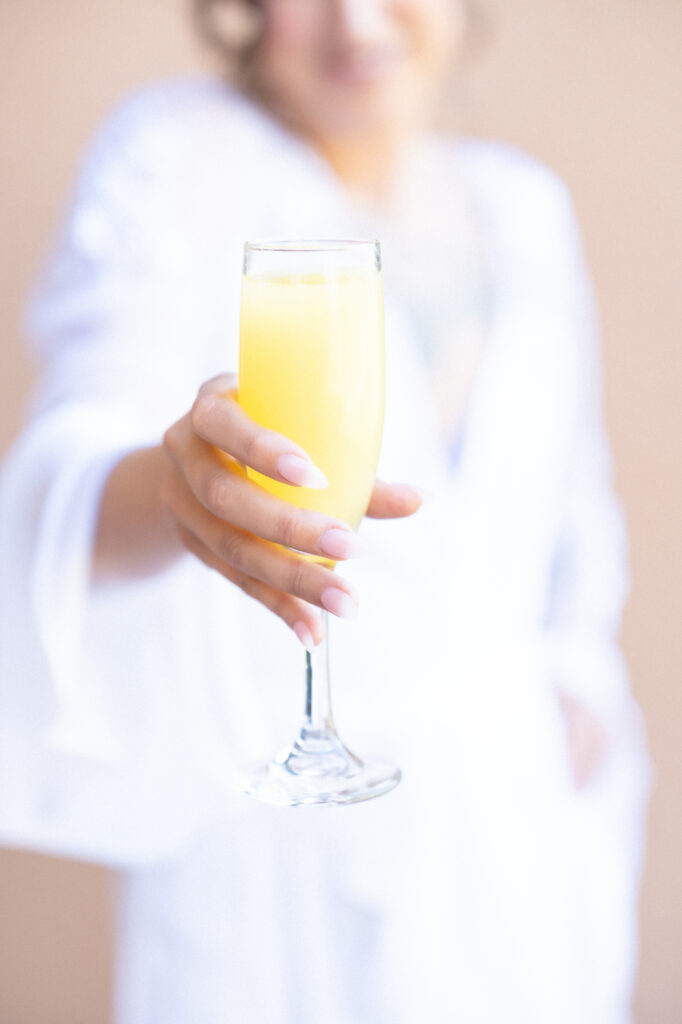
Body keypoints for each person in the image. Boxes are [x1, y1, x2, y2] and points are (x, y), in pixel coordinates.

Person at [0, 1, 650, 1021]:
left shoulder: (524, 208)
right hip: (274, 885)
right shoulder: (178, 156)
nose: (354, 20)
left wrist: (575, 681)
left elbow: (575, 512)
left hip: (512, 857)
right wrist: (173, 493)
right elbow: (70, 460)